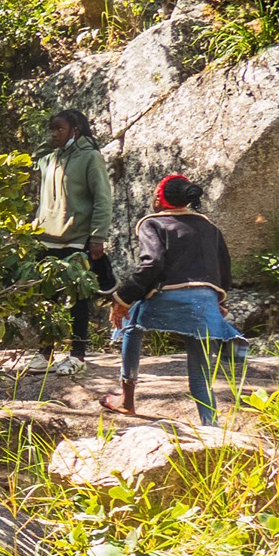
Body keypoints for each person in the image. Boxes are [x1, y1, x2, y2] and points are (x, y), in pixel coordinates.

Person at [104, 173, 248, 425]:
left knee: (131, 324)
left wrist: (123, 300)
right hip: (205, 302)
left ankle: (126, 400)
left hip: (167, 298)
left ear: (159, 200)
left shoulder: (153, 223)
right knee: (199, 373)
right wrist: (218, 302)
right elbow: (224, 268)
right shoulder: (210, 227)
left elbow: (152, 264)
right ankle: (210, 424)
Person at [33, 108, 115, 373]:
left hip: (77, 240)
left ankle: (77, 355)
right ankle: (44, 353)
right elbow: (33, 158)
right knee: (45, 297)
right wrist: (54, 141)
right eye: (51, 129)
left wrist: (98, 236)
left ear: (75, 130)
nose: (54, 134)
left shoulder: (91, 157)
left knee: (78, 299)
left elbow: (102, 199)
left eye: (60, 129)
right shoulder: (50, 158)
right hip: (47, 238)